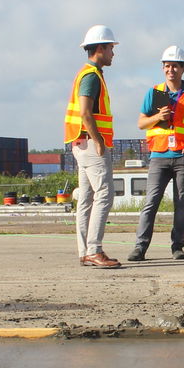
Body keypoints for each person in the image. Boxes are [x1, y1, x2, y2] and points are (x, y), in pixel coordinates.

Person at [130, 45, 184, 261]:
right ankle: (140, 247)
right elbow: (141, 123)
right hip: (159, 155)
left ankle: (177, 247)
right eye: (167, 66)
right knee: (151, 202)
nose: (170, 70)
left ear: (183, 69)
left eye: (175, 66)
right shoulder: (156, 93)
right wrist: (157, 117)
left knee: (181, 204)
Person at [65, 25, 121, 268]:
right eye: (110, 48)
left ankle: (85, 251)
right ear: (100, 48)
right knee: (104, 195)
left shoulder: (88, 74)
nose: (112, 53)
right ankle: (94, 250)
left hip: (80, 143)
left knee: (86, 198)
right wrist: (99, 142)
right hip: (90, 144)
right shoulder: (91, 76)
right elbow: (86, 113)